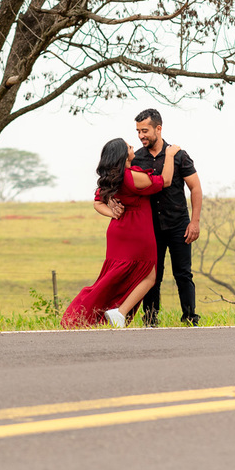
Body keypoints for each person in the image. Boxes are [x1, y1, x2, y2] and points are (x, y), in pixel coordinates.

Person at [97, 108, 202, 326]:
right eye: (138, 131)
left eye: (144, 130)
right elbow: (118, 183)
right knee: (153, 276)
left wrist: (195, 221)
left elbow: (195, 188)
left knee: (183, 273)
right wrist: (111, 202)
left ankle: (190, 317)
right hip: (149, 228)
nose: (141, 136)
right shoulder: (136, 159)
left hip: (178, 224)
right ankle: (150, 320)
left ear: (158, 128)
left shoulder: (179, 155)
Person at [63, 138, 179, 328]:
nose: (133, 147)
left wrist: (113, 213)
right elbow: (165, 181)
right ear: (123, 155)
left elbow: (97, 202)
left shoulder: (112, 178)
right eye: (129, 147)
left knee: (113, 277)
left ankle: (103, 313)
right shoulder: (132, 176)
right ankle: (119, 312)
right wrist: (170, 155)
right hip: (138, 230)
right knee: (150, 277)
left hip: (118, 230)